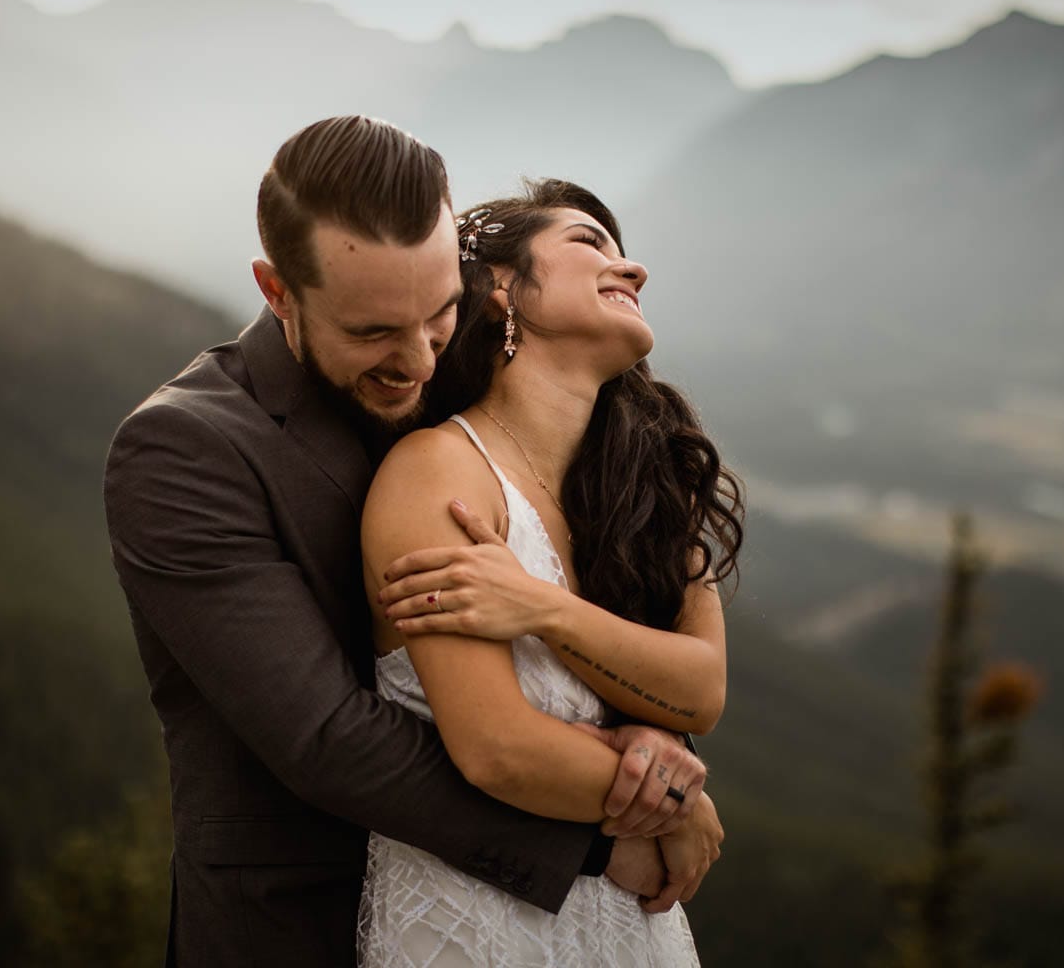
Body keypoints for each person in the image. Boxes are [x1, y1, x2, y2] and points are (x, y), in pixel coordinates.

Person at [102, 117, 711, 967]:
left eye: (439, 315)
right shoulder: (183, 449)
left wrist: (656, 746)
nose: (419, 360)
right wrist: (612, 831)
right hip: (298, 927)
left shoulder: (458, 393)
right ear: (277, 291)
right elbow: (329, 739)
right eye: (373, 333)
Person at [356, 179, 744, 965]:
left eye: (624, 251)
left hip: (630, 932)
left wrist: (541, 609)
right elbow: (497, 747)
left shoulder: (647, 491)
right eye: (588, 243)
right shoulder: (436, 473)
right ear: (501, 287)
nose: (631, 269)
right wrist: (675, 801)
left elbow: (699, 692)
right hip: (479, 926)